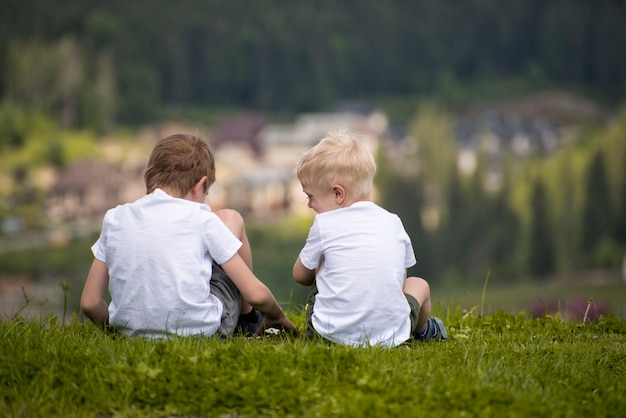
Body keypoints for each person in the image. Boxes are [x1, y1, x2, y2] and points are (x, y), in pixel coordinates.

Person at [81, 133, 298, 338]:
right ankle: (247, 320)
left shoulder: (115, 218)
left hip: (130, 331)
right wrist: (277, 315)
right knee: (232, 219)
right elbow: (256, 294)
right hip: (205, 332)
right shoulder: (202, 219)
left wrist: (119, 333)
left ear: (147, 182)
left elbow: (90, 303)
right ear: (200, 186)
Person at [292, 130, 447, 347]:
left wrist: (318, 267)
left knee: (321, 269)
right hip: (392, 339)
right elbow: (400, 281)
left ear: (338, 194)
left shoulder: (324, 224)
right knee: (418, 284)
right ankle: (423, 330)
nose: (309, 205)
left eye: (311, 197)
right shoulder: (393, 222)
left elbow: (300, 275)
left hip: (327, 338)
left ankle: (338, 324)